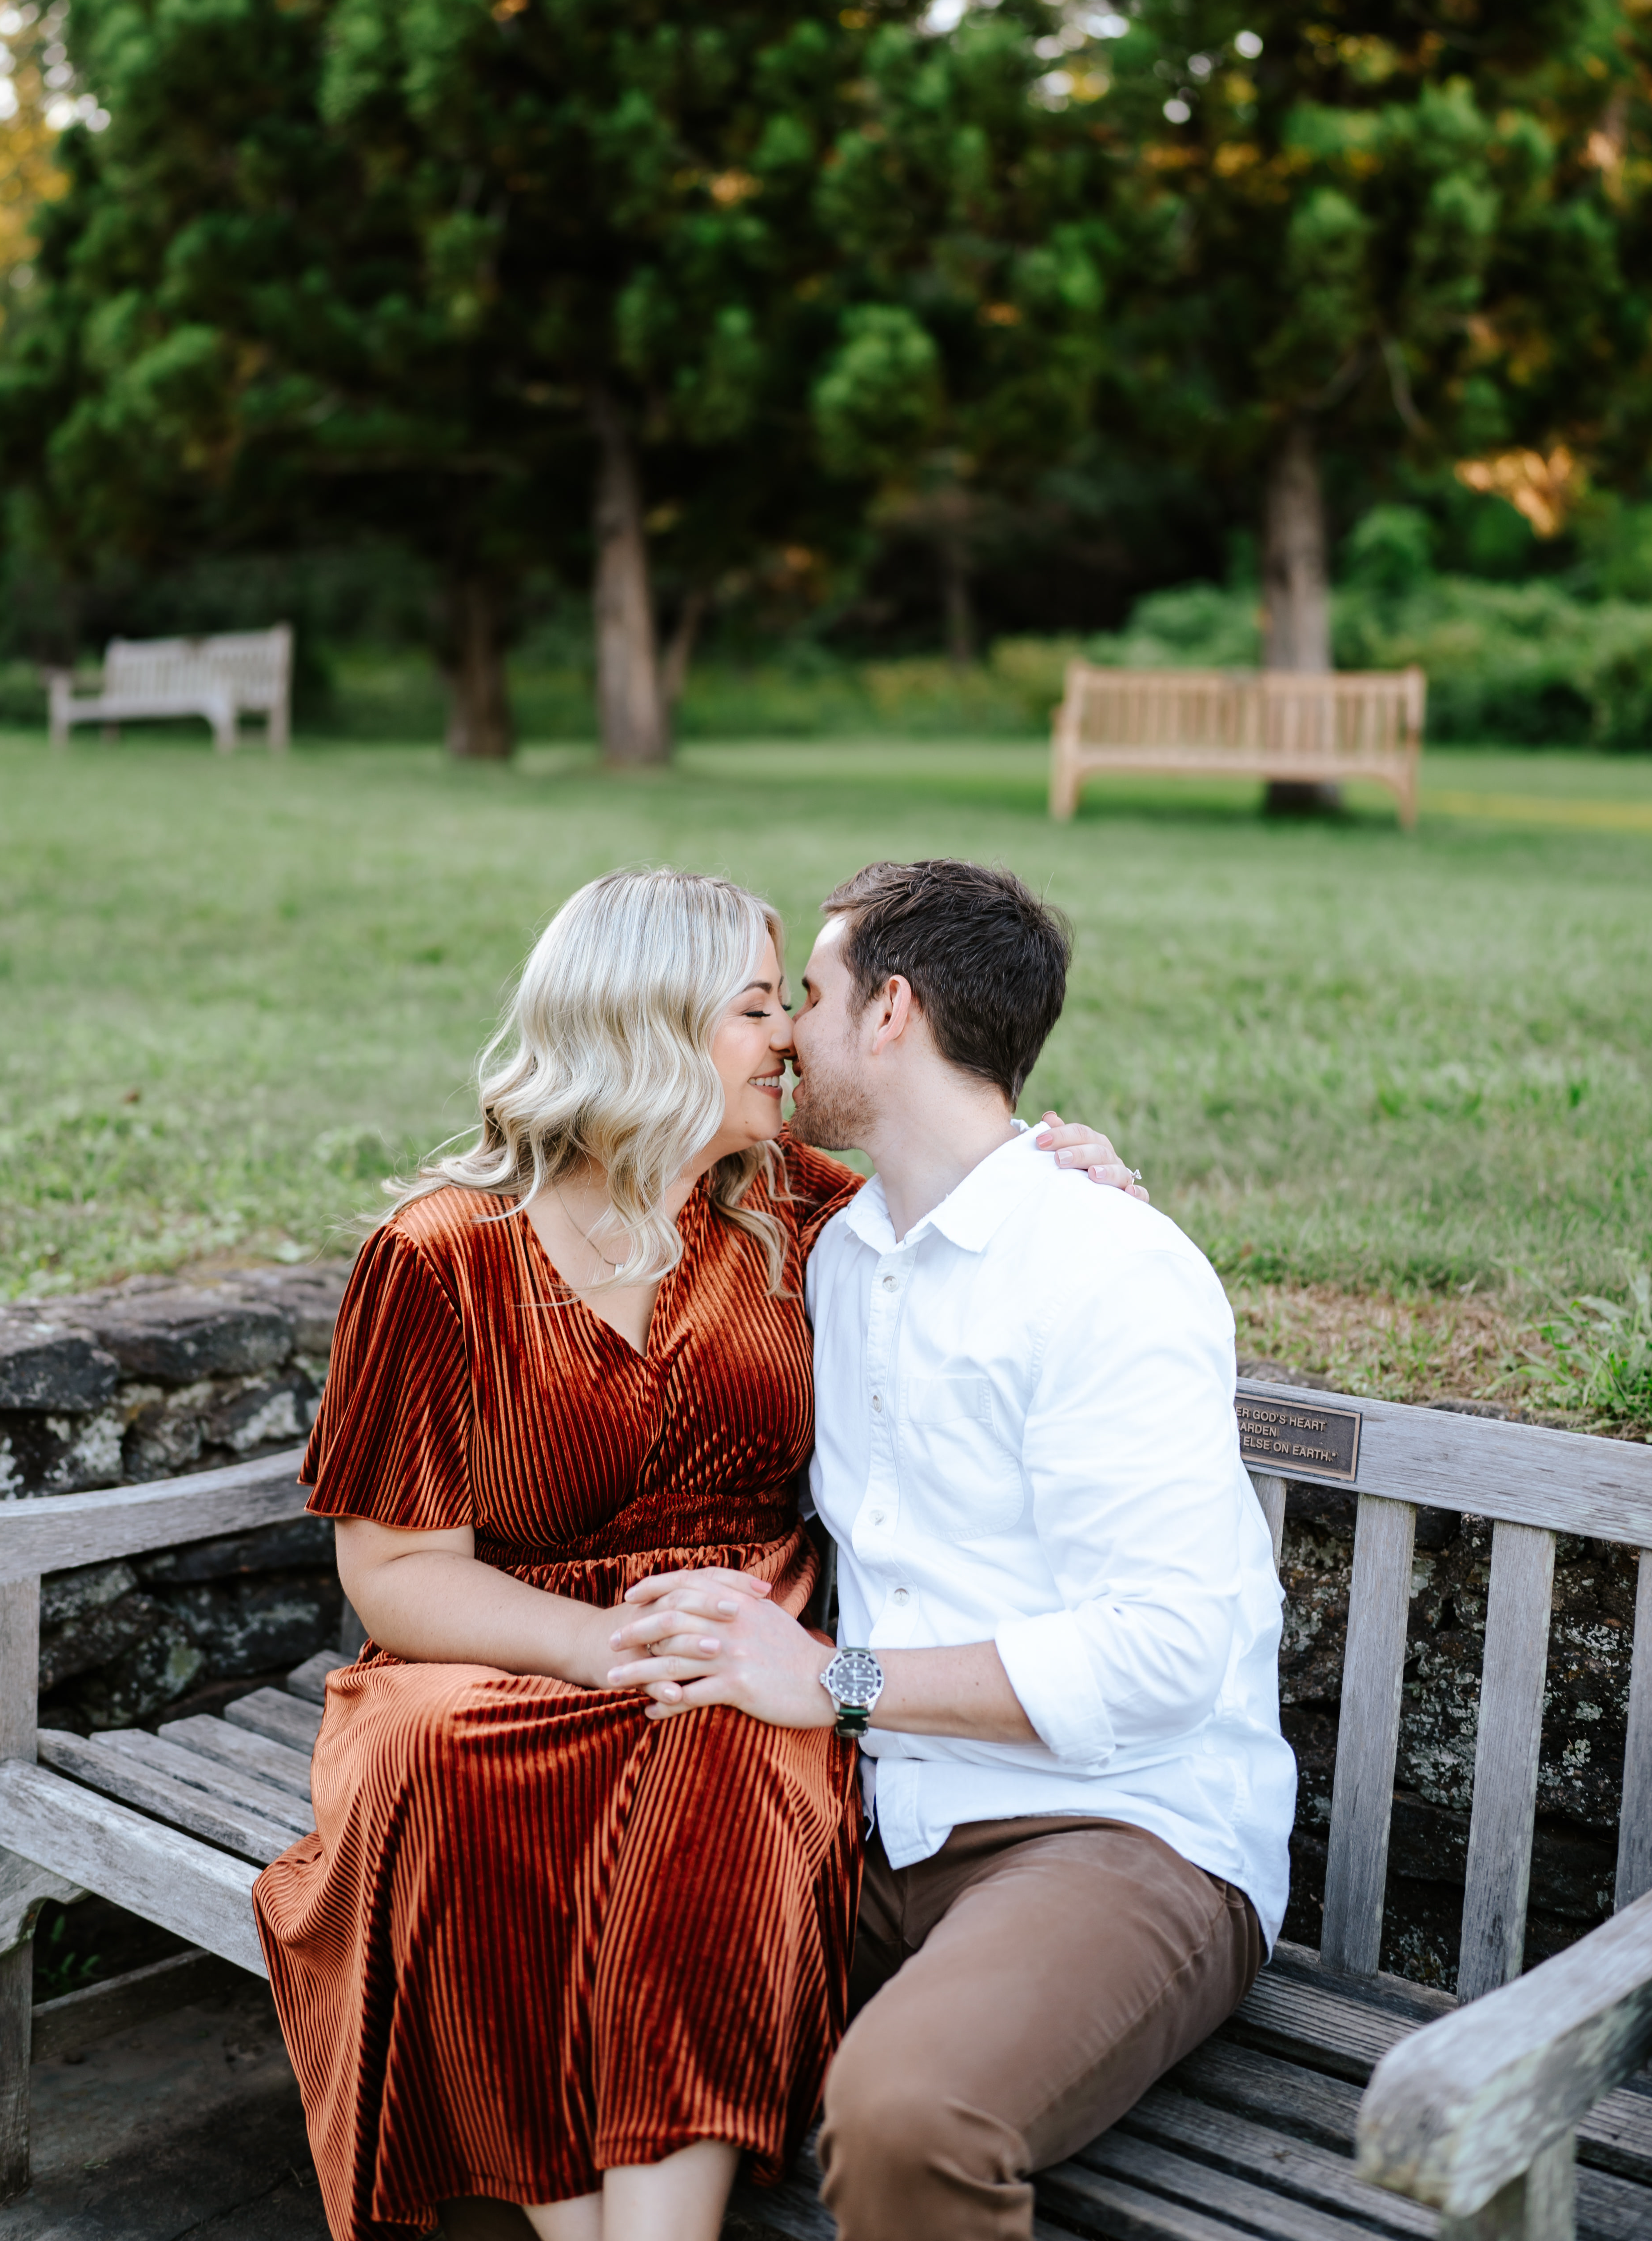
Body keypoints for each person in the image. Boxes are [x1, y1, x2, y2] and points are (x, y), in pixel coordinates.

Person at [253, 866, 1133, 2241]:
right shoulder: (441, 1259)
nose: (790, 1035)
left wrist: (1073, 1172)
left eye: (791, 1004)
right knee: (443, 1764)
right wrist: (594, 1642)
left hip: (745, 1638)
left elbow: (974, 1203)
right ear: (646, 1027)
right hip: (500, 1645)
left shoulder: (791, 1208)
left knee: (724, 1752)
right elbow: (397, 1570)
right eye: (754, 1009)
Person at [615, 859, 1297, 2241]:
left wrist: (832, 1679)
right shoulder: (830, 1247)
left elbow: (1166, 1654)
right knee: (570, 1929)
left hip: (1119, 1831)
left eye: (805, 995)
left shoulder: (1106, 1267)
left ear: (891, 1015)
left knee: (909, 2121)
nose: (786, 1032)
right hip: (883, 1818)